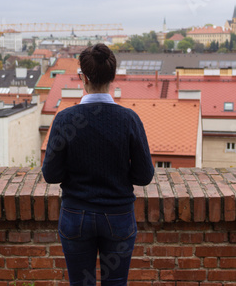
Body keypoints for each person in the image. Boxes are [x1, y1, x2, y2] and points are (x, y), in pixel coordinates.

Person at [42, 43, 154, 285]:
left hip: (76, 215)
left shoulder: (64, 119)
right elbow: (144, 176)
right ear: (112, 77)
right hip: (118, 216)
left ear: (82, 77)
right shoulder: (129, 120)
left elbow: (51, 174)